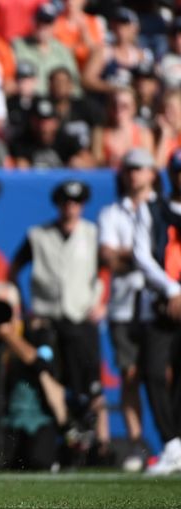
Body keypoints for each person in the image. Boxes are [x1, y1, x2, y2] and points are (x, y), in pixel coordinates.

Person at [8, 179, 110, 467]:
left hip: (80, 318)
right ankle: (66, 439)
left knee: (91, 385)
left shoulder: (92, 234)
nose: (71, 208)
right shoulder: (39, 235)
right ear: (58, 204)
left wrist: (101, 301)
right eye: (66, 202)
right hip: (48, 320)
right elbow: (14, 269)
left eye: (76, 202)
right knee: (50, 380)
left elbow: (106, 270)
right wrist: (25, 308)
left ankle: (101, 447)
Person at [97, 148, 160, 471]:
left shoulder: (163, 210)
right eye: (130, 168)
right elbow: (109, 258)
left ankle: (170, 440)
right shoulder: (112, 213)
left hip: (160, 305)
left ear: (152, 173)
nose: (134, 174)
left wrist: (132, 256)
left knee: (164, 375)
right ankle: (136, 443)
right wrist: (148, 256)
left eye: (140, 168)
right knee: (131, 375)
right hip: (124, 305)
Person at [0, 281, 68, 471]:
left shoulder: (35, 329)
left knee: (38, 461)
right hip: (3, 416)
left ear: (16, 308)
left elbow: (41, 363)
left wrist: (10, 335)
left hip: (37, 414)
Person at [131, 148, 181, 475]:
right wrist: (173, 290)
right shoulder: (153, 209)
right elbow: (142, 254)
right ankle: (172, 442)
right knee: (152, 372)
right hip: (163, 304)